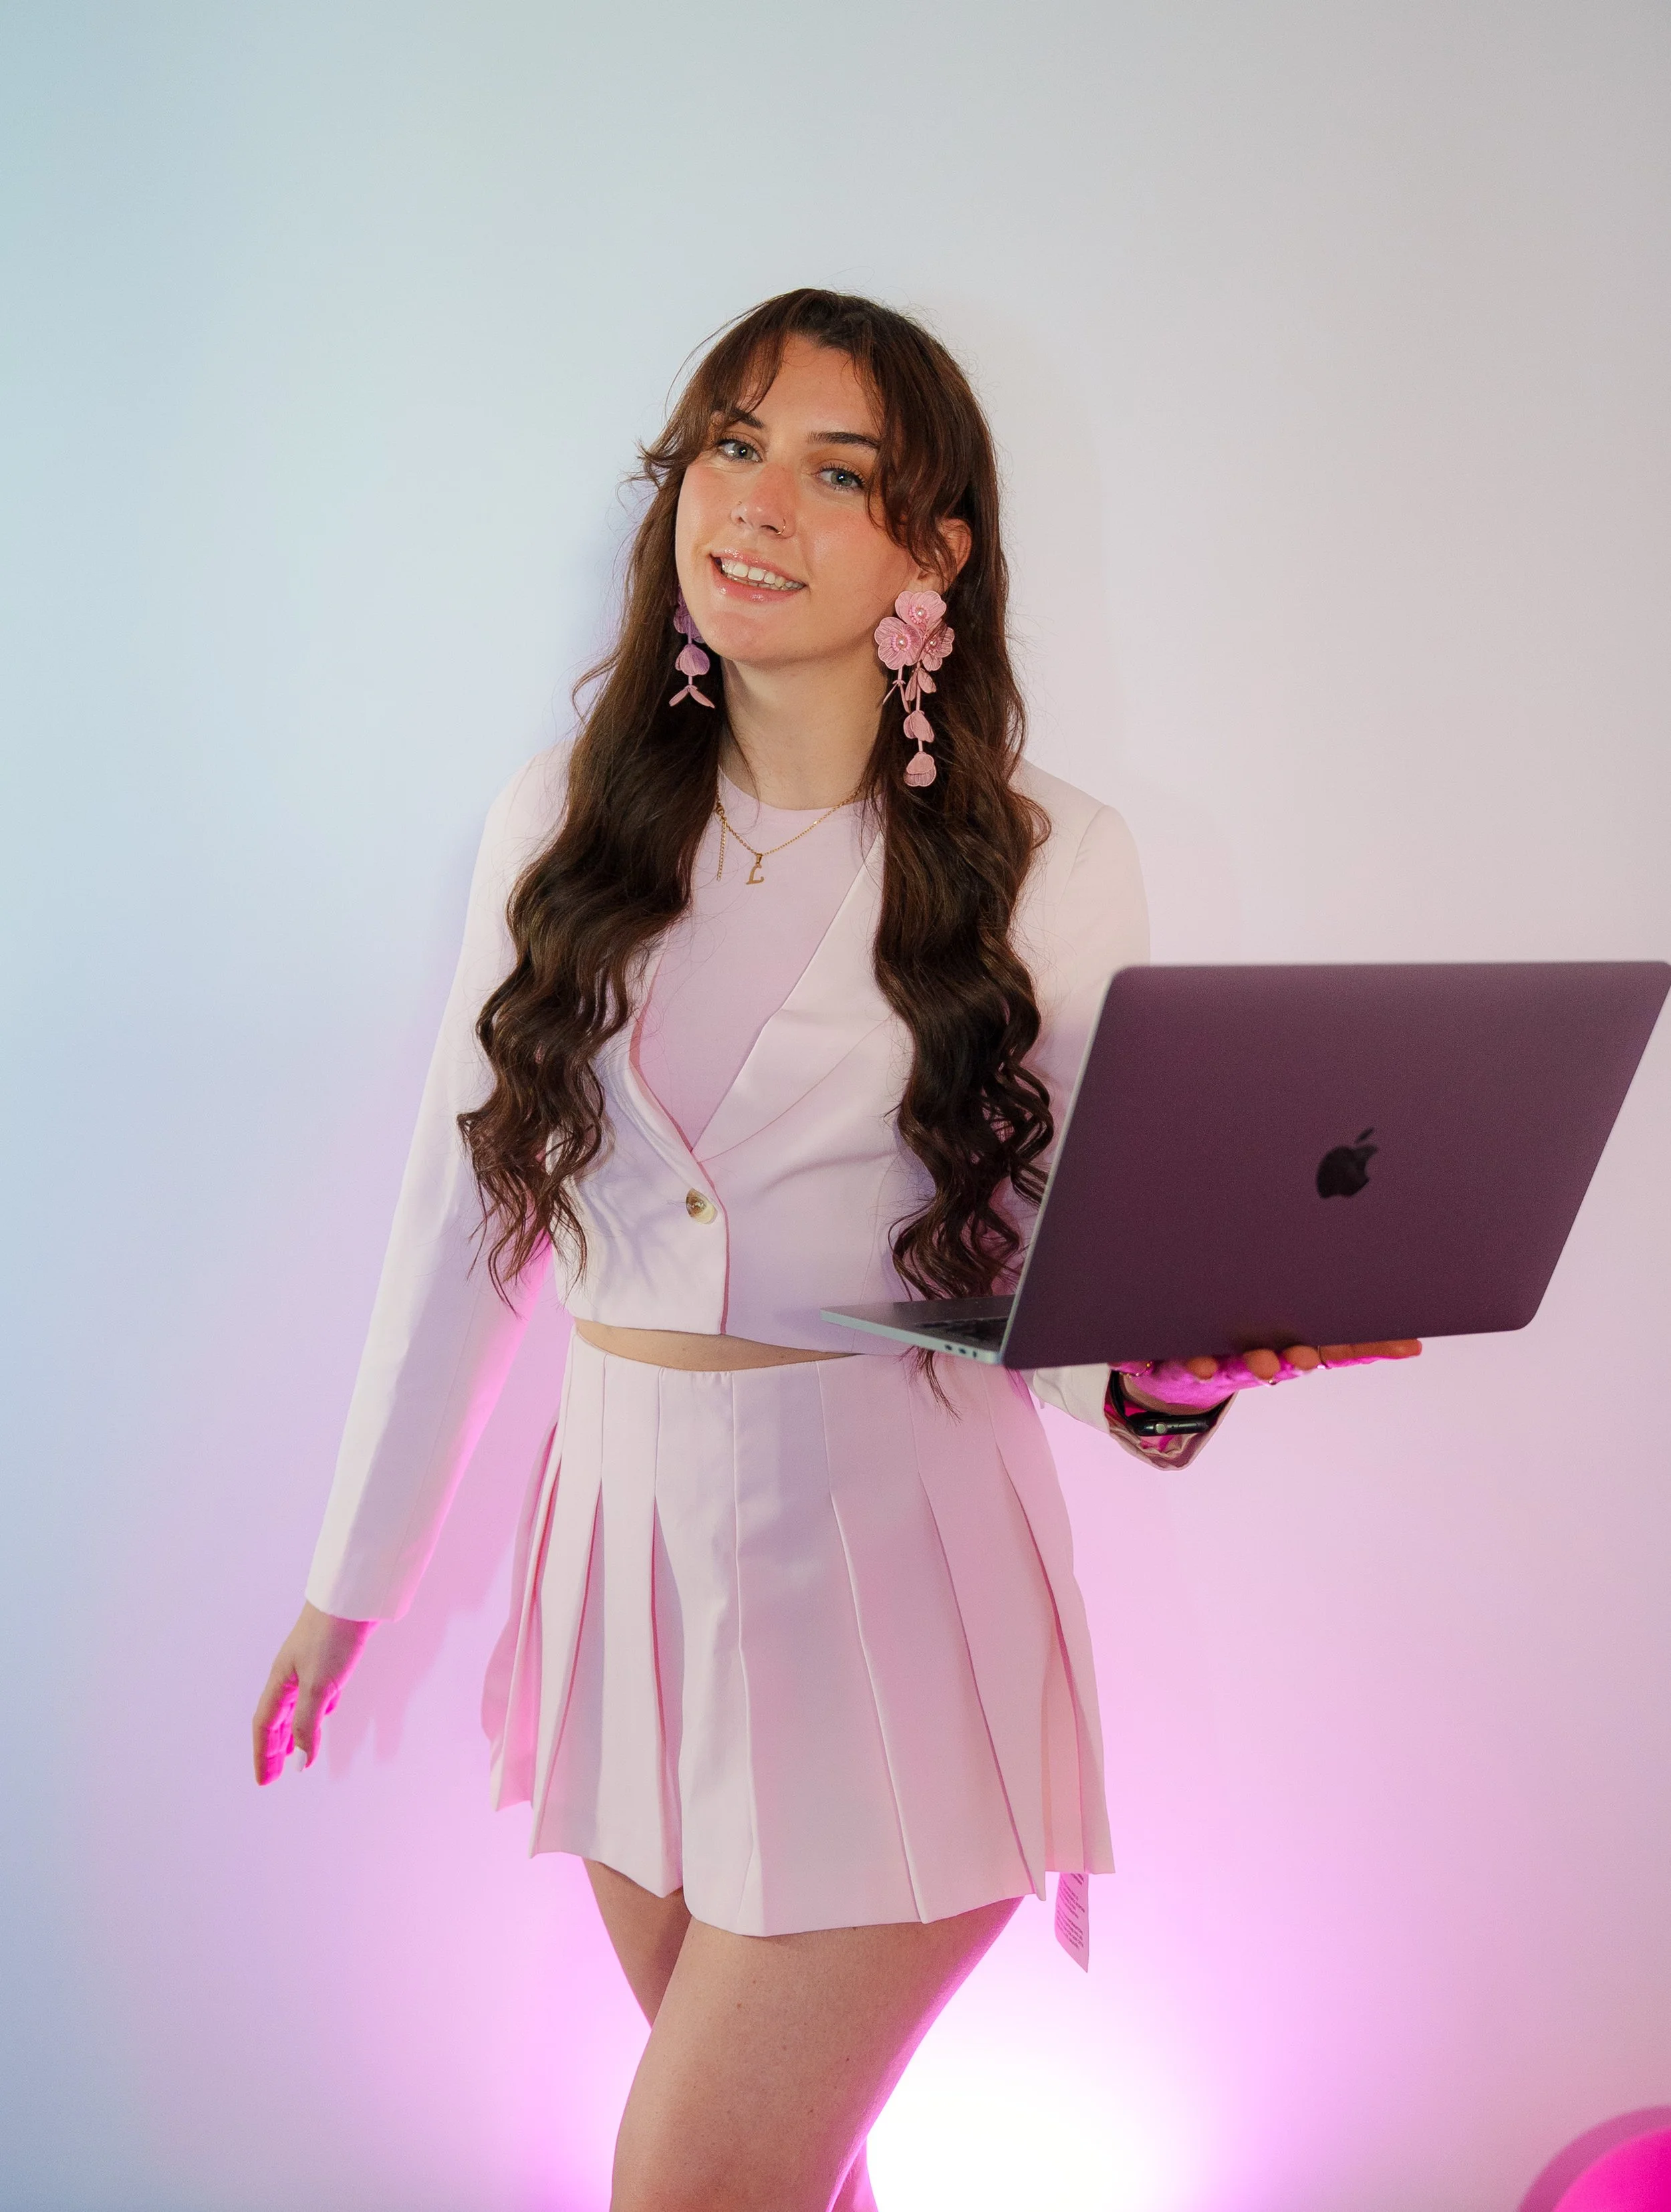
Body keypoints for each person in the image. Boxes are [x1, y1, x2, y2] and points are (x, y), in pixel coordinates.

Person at [253, 289, 1419, 2212]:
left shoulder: (1049, 856)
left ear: (929, 552)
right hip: (622, 1560)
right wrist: (350, 1579)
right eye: (732, 445)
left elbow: (1068, 1260)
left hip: (894, 1569)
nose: (759, 501)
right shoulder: (559, 824)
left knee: (695, 2181)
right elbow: (462, 1217)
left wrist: (1164, 1370)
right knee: (796, 2174)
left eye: (836, 471)